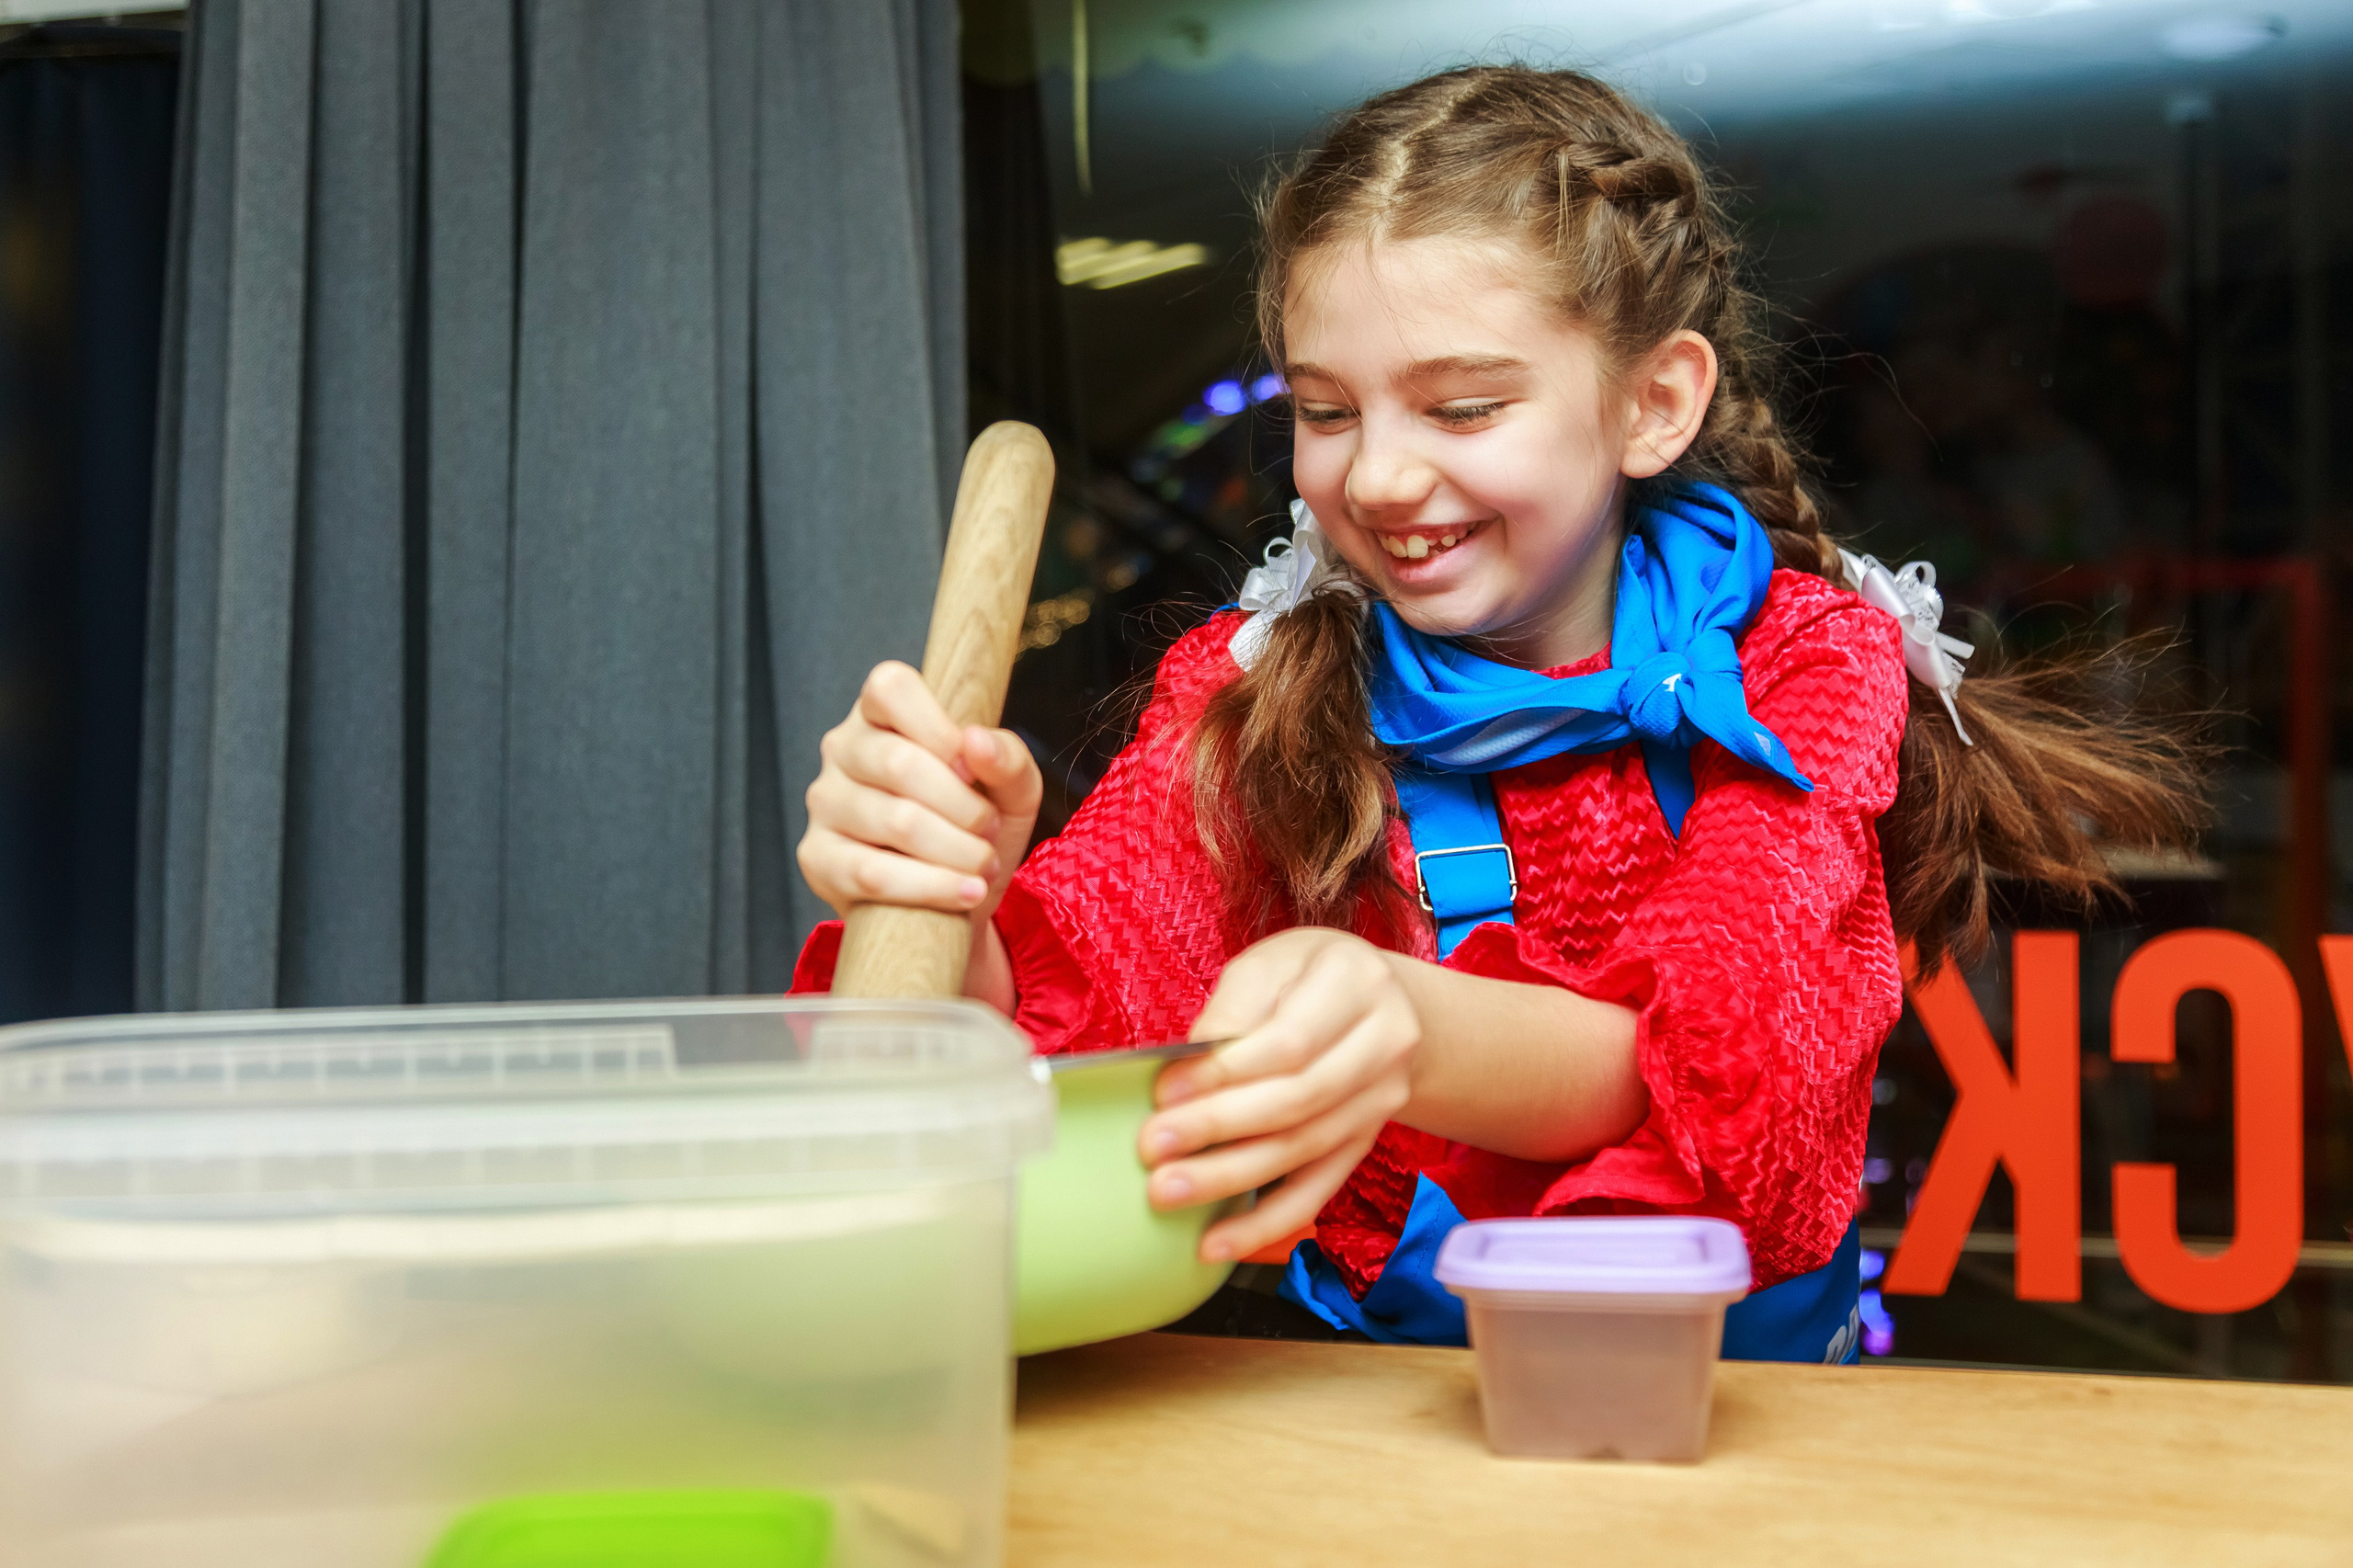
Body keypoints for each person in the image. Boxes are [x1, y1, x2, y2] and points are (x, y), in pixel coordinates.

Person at [790, 67, 2200, 1359]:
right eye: (1328, 411)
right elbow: (1077, 1047)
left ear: (1653, 404)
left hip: (1723, 1425)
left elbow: (1729, 1070)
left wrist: (1414, 1025)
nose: (1382, 478)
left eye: (1461, 408)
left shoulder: (1803, 666)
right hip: (1385, 1424)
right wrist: (947, 906)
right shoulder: (1256, 681)